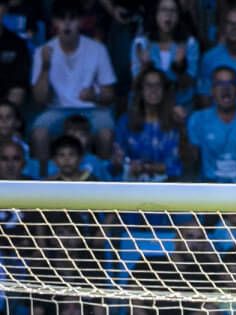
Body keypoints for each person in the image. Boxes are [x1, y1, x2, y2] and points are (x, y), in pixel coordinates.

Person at [29, 0, 118, 171]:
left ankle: (105, 181)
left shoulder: (97, 49)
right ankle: (44, 181)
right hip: (57, 110)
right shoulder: (43, 51)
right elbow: (40, 99)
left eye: (72, 19)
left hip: (92, 109)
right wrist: (46, 67)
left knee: (106, 133)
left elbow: (110, 94)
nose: (67, 24)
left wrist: (95, 96)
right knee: (39, 132)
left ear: (81, 22)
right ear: (55, 23)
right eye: (62, 19)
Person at [113, 67, 183, 181]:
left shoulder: (175, 121)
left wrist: (146, 167)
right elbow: (118, 161)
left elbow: (176, 165)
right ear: (140, 90)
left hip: (166, 186)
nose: (153, 90)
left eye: (158, 85)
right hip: (132, 184)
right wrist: (120, 161)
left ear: (164, 90)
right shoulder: (125, 121)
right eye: (148, 85)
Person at [130, 0, 199, 109]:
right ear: (155, 14)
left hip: (180, 105)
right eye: (163, 10)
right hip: (147, 107)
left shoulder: (189, 43)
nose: (168, 15)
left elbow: (189, 84)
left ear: (179, 16)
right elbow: (135, 86)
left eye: (173, 11)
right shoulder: (141, 43)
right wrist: (145, 67)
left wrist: (179, 67)